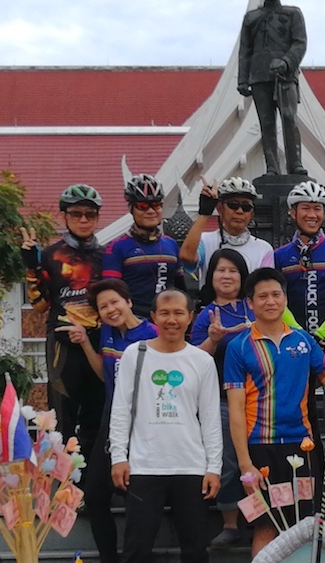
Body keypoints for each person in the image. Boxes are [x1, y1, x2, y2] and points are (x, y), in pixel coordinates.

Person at [109, 289, 224, 563]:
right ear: (154, 316)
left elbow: (210, 418)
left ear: (191, 317)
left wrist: (214, 466)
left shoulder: (201, 361)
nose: (171, 319)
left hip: (191, 465)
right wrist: (118, 456)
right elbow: (121, 409)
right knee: (137, 546)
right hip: (145, 465)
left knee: (195, 548)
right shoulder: (135, 354)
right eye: (164, 313)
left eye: (179, 313)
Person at [224, 267, 325, 561]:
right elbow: (235, 411)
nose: (270, 301)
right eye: (262, 296)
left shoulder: (304, 341)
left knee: (304, 526)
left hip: (303, 447)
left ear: (285, 299)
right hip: (260, 450)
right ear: (251, 303)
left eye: (276, 294)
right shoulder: (238, 347)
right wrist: (245, 463)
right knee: (265, 527)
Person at [74, 278, 156, 563]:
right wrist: (84, 341)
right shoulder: (107, 333)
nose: (110, 310)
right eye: (103, 307)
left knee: (138, 498)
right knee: (94, 492)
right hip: (112, 419)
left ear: (129, 301)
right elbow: (104, 374)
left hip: (147, 423)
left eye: (114, 302)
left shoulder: (152, 334)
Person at [20, 183, 106, 449]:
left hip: (97, 339)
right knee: (62, 415)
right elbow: (39, 305)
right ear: (65, 216)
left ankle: (93, 482)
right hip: (62, 341)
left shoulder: (107, 255)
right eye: (76, 213)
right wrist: (32, 267)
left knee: (98, 413)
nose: (83, 220)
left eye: (89, 214)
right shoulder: (50, 255)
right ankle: (60, 481)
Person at [191, 248, 255, 548]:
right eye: (220, 270)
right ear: (211, 276)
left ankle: (263, 518)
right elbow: (191, 358)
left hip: (260, 398)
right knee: (229, 459)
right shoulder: (205, 314)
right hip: (222, 399)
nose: (227, 276)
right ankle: (230, 522)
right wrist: (213, 339)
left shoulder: (256, 306)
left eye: (233, 270)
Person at [237, 0, 307, 176]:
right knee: (266, 123)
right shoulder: (252, 18)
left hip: (285, 74)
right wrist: (242, 79)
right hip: (259, 75)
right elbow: (245, 50)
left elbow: (300, 43)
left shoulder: (292, 14)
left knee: (289, 117)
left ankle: (295, 164)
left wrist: (286, 62)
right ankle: (272, 167)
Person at [102, 173, 182, 317]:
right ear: (131, 208)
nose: (151, 211)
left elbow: (181, 289)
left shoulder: (171, 244)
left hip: (168, 324)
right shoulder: (116, 247)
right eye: (142, 206)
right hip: (134, 325)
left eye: (156, 205)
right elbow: (110, 296)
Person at [274, 179, 325, 334]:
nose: (312, 215)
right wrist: (297, 332)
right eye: (305, 208)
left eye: (317, 209)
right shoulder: (279, 256)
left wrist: (324, 333)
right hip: (293, 337)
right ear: (293, 213)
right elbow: (276, 297)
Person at [183, 175, 274, 279]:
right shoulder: (205, 240)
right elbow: (186, 257)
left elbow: (266, 286)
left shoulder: (264, 249)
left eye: (246, 207)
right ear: (220, 209)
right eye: (233, 205)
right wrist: (204, 213)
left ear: (252, 214)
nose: (239, 211)